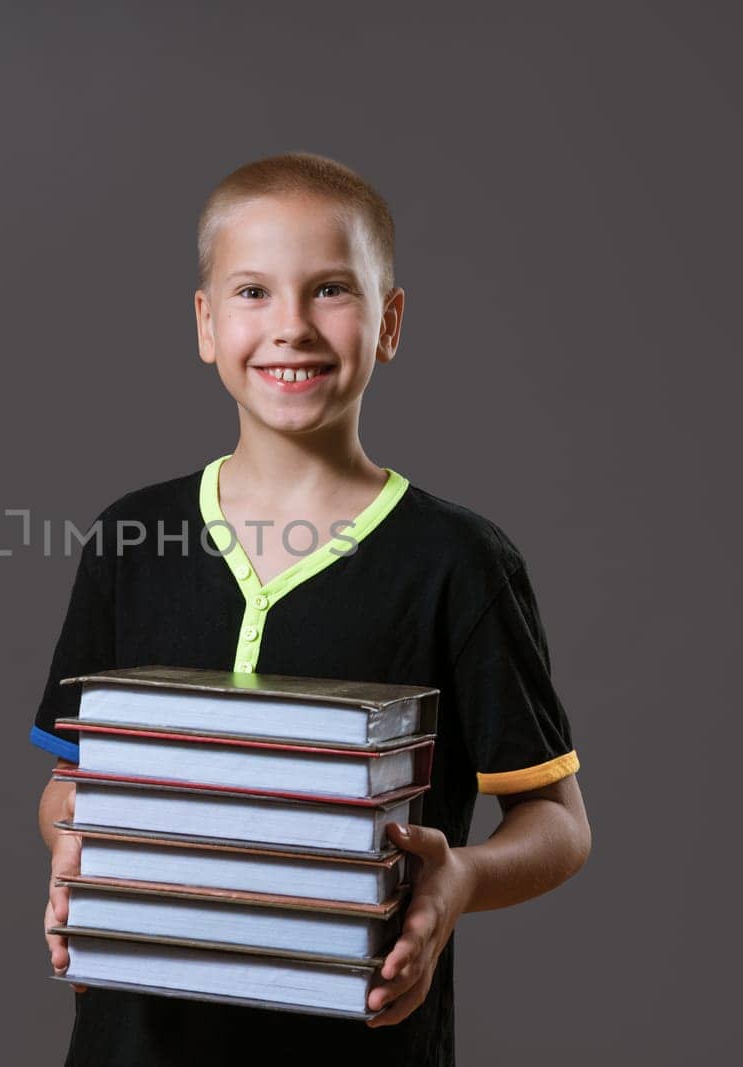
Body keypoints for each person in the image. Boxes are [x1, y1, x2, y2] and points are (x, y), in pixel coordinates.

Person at [30, 151, 592, 1066]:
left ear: (391, 321)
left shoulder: (459, 560)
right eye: (253, 292)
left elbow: (560, 825)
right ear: (206, 324)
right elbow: (70, 783)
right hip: (133, 1043)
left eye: (331, 289)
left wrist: (459, 880)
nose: (290, 327)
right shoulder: (130, 537)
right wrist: (76, 840)